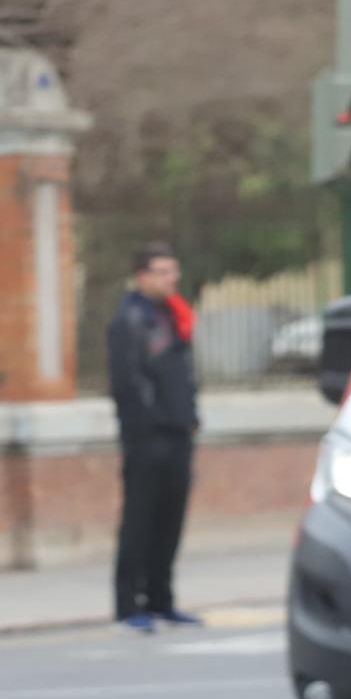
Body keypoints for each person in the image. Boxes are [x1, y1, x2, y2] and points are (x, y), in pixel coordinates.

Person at [106, 242, 201, 632]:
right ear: (143, 276)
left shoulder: (172, 316)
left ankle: (162, 600)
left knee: (170, 521)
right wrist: (150, 425)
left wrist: (190, 417)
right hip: (147, 439)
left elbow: (184, 375)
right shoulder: (128, 319)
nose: (171, 278)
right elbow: (128, 383)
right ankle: (129, 606)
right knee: (140, 521)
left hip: (179, 434)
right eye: (163, 271)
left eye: (174, 271)